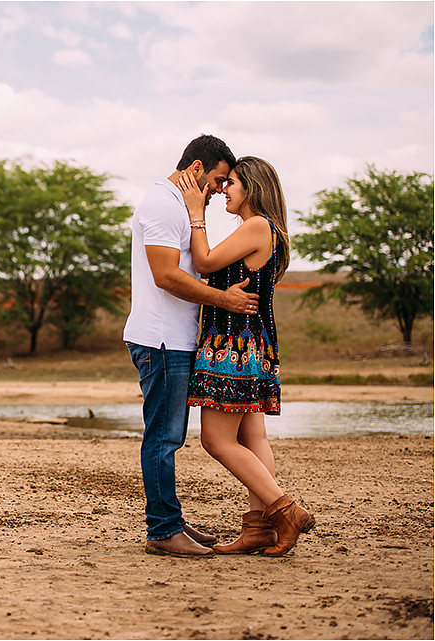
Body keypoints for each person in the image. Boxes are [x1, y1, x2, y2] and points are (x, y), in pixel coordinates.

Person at [123, 135, 259, 558]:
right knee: (164, 438)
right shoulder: (164, 204)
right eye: (219, 179)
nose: (221, 189)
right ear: (196, 169)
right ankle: (163, 530)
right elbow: (165, 275)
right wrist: (224, 298)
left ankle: (171, 521)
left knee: (169, 436)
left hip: (172, 338)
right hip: (161, 338)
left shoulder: (178, 205)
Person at [176, 156, 315, 557]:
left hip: (232, 348)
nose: (223, 190)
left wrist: (195, 211)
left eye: (231, 183)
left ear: (251, 187)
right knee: (253, 439)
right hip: (254, 345)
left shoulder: (256, 226)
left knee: (216, 440)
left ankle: (285, 510)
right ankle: (257, 528)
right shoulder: (264, 230)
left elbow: (203, 263)